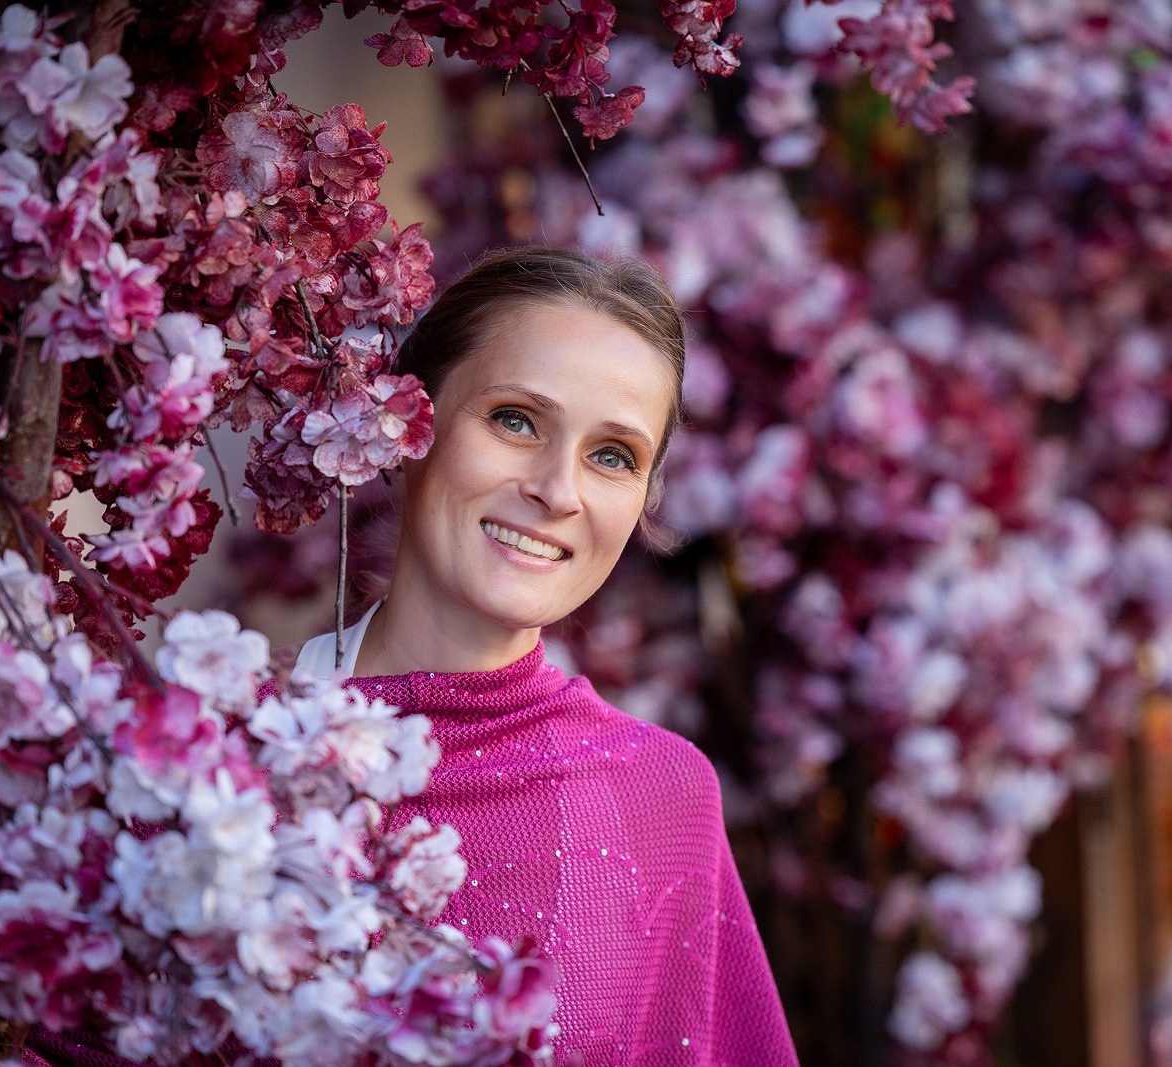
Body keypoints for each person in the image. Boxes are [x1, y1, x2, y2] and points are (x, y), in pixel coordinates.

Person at [290, 246, 799, 1065]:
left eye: (612, 456)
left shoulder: (660, 799)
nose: (558, 491)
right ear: (408, 424)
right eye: (515, 419)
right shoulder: (206, 755)